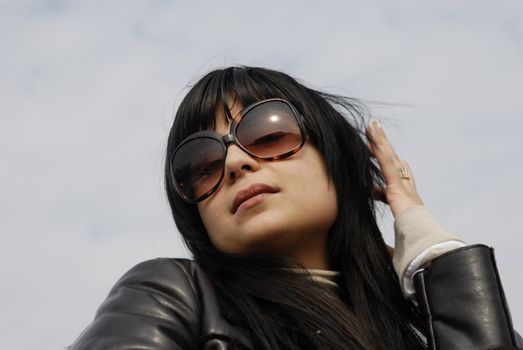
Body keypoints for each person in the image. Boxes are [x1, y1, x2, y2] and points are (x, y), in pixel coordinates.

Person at [70, 66, 521, 349]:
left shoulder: (420, 330)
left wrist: (431, 253)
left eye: (267, 135)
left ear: (335, 157)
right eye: (201, 165)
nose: (235, 162)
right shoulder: (174, 295)